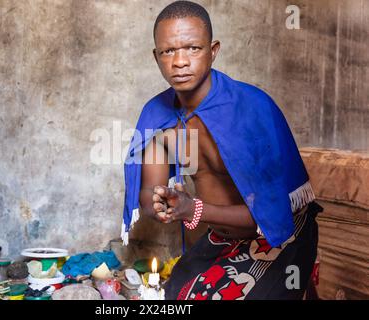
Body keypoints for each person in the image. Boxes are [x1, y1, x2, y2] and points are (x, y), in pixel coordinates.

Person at [121, 0, 322, 300]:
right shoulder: (157, 117)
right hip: (220, 236)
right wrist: (164, 204)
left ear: (213, 51)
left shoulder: (251, 108)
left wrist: (193, 209)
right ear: (156, 57)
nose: (180, 62)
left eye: (193, 48)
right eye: (168, 51)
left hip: (279, 234)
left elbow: (272, 214)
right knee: (176, 293)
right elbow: (148, 197)